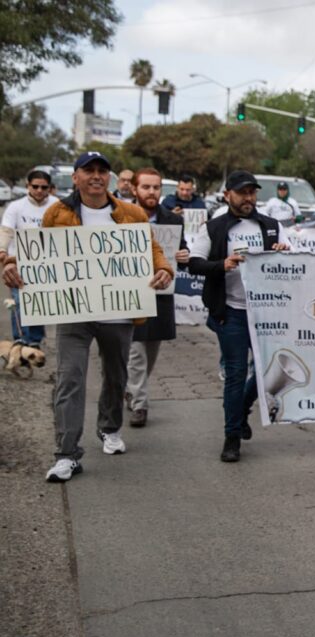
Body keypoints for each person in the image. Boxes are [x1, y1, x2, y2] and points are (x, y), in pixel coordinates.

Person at [1, 151, 174, 483]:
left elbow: (151, 249)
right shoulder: (57, 212)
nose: (96, 176)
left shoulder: (131, 213)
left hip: (120, 311)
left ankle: (109, 429)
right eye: (89, 170)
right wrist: (12, 265)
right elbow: (41, 253)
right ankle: (67, 454)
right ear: (76, 177)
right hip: (74, 311)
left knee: (115, 376)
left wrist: (163, 269)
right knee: (70, 380)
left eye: (102, 171)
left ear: (108, 178)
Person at [188, 170, 289, 463]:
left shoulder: (271, 226)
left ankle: (243, 409)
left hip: (267, 311)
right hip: (231, 310)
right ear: (227, 195)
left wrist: (283, 251)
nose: (248, 198)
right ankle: (231, 437)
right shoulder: (215, 228)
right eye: (242, 192)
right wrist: (223, 264)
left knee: (266, 372)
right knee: (234, 374)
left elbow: (295, 260)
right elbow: (195, 263)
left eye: (252, 192)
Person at [124, 168, 190, 428]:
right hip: (129, 294)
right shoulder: (119, 217)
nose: (151, 192)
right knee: (136, 351)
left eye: (156, 187)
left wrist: (184, 256)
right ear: (134, 190)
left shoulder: (172, 221)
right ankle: (140, 404)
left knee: (151, 350)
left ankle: (131, 388)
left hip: (161, 294)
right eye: (146, 187)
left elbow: (181, 252)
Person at [0, 170, 59, 348]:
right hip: (17, 263)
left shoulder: (58, 206)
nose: (39, 190)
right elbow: (7, 230)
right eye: (35, 186)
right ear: (28, 186)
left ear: (50, 188)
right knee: (18, 302)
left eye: (44, 187)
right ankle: (20, 339)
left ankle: (34, 340)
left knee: (38, 302)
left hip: (46, 264)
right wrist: (2, 250)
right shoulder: (16, 207)